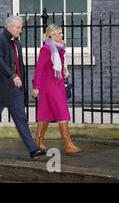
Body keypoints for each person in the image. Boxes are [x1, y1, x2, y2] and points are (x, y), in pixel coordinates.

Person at [0, 15, 46, 161]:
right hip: (0, 89)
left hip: (15, 90)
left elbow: (19, 66)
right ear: (9, 26)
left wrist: (21, 83)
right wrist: (13, 75)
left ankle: (33, 149)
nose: (20, 30)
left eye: (21, 27)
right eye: (18, 27)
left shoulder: (17, 44)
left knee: (21, 119)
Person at [32, 24, 82, 154]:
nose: (62, 35)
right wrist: (36, 86)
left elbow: (58, 67)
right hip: (49, 86)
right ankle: (68, 144)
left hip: (57, 85)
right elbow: (39, 68)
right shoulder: (46, 49)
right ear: (52, 35)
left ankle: (38, 141)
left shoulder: (58, 48)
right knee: (62, 112)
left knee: (46, 113)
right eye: (59, 33)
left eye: (61, 33)